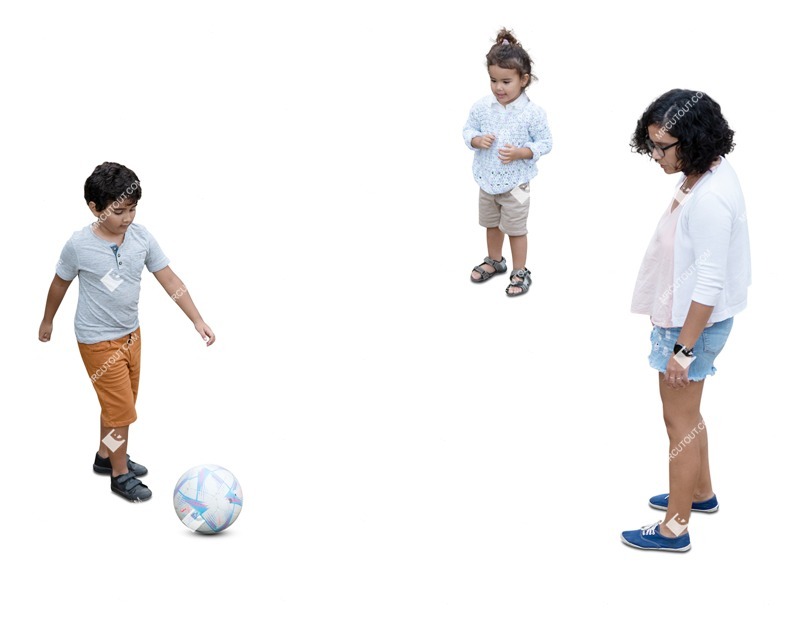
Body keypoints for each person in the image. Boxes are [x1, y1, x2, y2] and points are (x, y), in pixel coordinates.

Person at [38, 162, 216, 502]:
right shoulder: (79, 245)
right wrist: (48, 321)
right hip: (97, 340)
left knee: (119, 406)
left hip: (131, 336)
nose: (127, 218)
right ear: (94, 207)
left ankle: (106, 457)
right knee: (121, 411)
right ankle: (120, 474)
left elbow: (170, 280)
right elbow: (59, 284)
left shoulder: (141, 238)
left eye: (133, 209)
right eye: (119, 211)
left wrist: (196, 318)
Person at [621, 90, 751, 551]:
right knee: (690, 416)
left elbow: (709, 284)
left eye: (663, 146)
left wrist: (683, 349)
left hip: (689, 326)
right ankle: (700, 494)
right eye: (652, 144)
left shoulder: (710, 198)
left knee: (678, 422)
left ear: (692, 140)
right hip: (687, 320)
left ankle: (674, 527)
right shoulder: (704, 173)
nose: (655, 155)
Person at [463, 28, 552, 296]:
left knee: (515, 227)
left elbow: (545, 143)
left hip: (516, 184)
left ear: (523, 80)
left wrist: (521, 153)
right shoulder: (481, 107)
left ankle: (520, 270)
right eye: (493, 80)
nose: (498, 88)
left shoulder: (532, 113)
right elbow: (467, 130)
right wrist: (476, 140)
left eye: (506, 81)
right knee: (491, 223)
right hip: (487, 179)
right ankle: (495, 260)